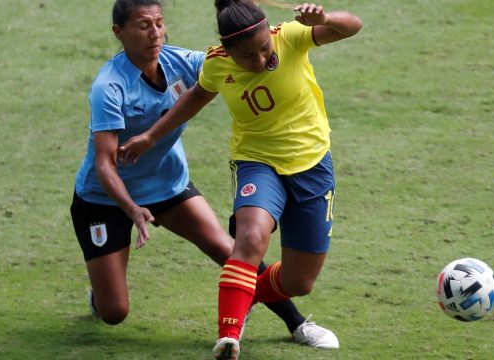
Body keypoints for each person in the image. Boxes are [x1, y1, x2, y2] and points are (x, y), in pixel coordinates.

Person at [69, 0, 339, 351]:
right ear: (118, 33)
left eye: (159, 23)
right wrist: (132, 209)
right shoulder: (109, 86)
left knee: (237, 251)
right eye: (143, 25)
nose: (155, 33)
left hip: (169, 186)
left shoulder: (183, 61)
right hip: (105, 199)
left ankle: (297, 323)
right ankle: (101, 293)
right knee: (114, 311)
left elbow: (227, 63)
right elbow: (105, 164)